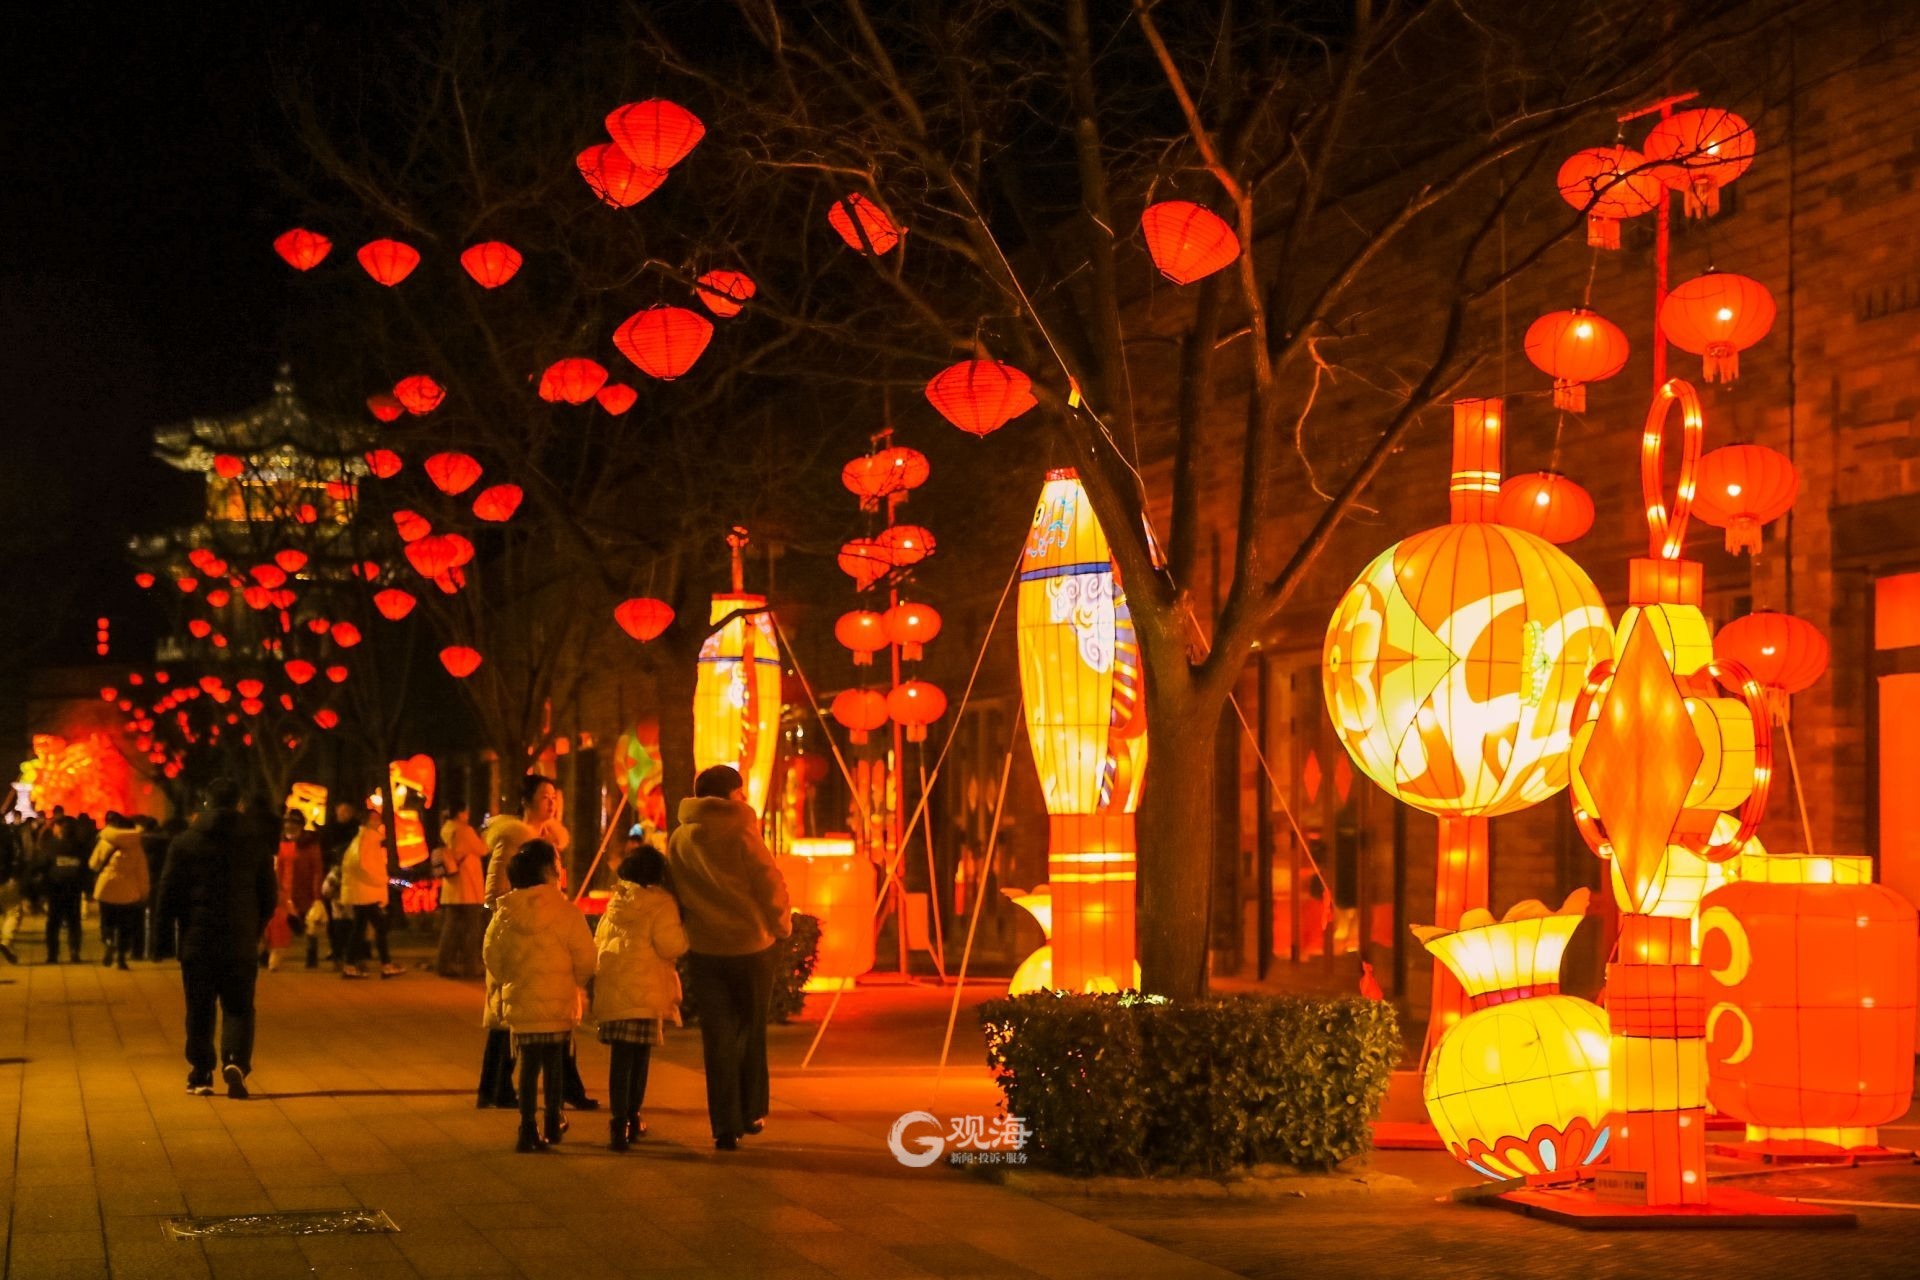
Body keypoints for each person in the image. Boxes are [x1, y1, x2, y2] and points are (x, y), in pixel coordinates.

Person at [667, 764, 791, 1150]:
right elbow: (768, 880)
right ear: (732, 794)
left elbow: (677, 890)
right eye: (741, 792)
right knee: (750, 1030)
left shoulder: (679, 838)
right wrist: (782, 924)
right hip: (751, 945)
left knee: (716, 1035)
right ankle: (751, 1110)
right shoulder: (741, 829)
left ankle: (723, 1124)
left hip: (705, 946)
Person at [156, 779, 279, 1098]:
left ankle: (200, 1072)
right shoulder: (256, 842)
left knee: (199, 1008)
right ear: (240, 803)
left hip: (197, 941)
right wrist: (254, 926)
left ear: (206, 802)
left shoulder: (185, 842)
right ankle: (236, 1060)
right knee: (239, 1006)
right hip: (240, 941)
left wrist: (162, 941)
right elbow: (269, 894)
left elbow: (168, 893)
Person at [483, 839, 596, 1153]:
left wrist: (511, 982)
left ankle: (527, 1127)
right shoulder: (567, 913)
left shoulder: (503, 914)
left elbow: (492, 957)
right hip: (558, 1004)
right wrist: (576, 982)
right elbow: (586, 957)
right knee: (556, 1065)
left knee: (528, 1068)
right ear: (551, 872)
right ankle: (553, 1121)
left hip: (522, 1005)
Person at [476, 775, 571, 1108]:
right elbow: (493, 893)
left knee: (545, 1008)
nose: (551, 802)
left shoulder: (551, 839)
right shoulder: (513, 837)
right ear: (527, 800)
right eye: (544, 796)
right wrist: (520, 912)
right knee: (509, 1011)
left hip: (548, 934)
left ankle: (565, 1085)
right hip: (519, 934)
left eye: (554, 797)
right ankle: (496, 1086)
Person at [592, 846, 689, 1150]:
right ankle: (633, 1117)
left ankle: (617, 1124)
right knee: (639, 1059)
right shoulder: (662, 903)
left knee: (620, 1061)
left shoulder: (616, 901)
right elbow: (671, 946)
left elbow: (599, 942)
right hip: (645, 993)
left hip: (615, 993)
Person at [340, 810, 402, 979]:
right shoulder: (367, 840)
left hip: (362, 891)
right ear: (366, 821)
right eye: (374, 818)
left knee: (359, 928)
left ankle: (350, 965)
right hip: (366, 891)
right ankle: (386, 964)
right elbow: (362, 865)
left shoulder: (364, 839)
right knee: (380, 926)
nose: (378, 821)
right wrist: (380, 880)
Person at [90, 812, 150, 969]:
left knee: (106, 921)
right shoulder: (136, 845)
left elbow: (93, 864)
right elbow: (142, 872)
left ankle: (109, 942)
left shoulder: (104, 842)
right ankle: (122, 959)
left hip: (106, 888)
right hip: (128, 891)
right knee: (124, 925)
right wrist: (144, 892)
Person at [435, 807, 488, 978]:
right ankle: (470, 966)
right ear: (460, 813)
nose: (467, 815)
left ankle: (443, 964)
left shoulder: (446, 829)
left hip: (452, 887)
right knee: (472, 929)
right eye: (465, 812)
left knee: (449, 928)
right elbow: (482, 849)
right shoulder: (464, 830)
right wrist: (483, 836)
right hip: (468, 888)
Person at [272, 815, 324, 972]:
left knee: (311, 924)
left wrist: (316, 894)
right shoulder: (281, 843)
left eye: (293, 824)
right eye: (287, 824)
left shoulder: (310, 845)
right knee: (280, 924)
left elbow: (316, 869)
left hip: (306, 889)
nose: (290, 828)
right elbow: (278, 867)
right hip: (286, 890)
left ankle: (311, 955)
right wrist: (278, 888)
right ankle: (274, 957)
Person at [41, 816, 89, 964]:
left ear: (59, 828)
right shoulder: (80, 847)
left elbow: (43, 864)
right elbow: (86, 868)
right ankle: (74, 951)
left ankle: (52, 954)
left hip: (56, 889)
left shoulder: (52, 845)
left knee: (53, 923)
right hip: (74, 889)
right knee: (74, 921)